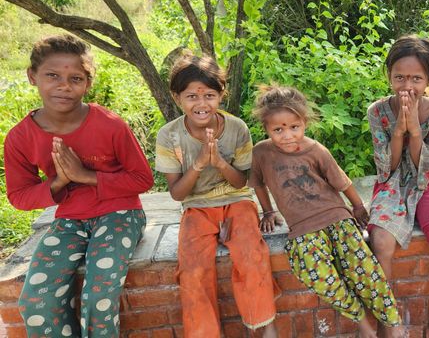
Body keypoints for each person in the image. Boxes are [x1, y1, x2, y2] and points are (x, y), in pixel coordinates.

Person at [4, 34, 153, 337]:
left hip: (120, 213)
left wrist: (86, 176)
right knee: (36, 300)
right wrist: (59, 181)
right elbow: (19, 196)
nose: (64, 85)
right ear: (32, 77)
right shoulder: (20, 137)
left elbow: (143, 179)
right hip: (70, 220)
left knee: (98, 298)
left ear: (87, 83)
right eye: (53, 76)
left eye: (75, 78)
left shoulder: (110, 125)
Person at [250, 85, 404, 338]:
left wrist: (357, 206)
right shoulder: (261, 153)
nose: (287, 135)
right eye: (278, 130)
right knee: (316, 272)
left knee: (364, 270)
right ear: (266, 128)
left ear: (304, 123)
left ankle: (393, 323)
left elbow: (341, 182)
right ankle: (362, 320)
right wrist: (267, 212)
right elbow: (257, 182)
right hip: (303, 228)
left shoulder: (316, 150)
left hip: (336, 217)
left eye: (294, 127)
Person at [155, 55, 278, 338]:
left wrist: (220, 162)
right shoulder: (169, 136)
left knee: (251, 252)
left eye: (209, 95)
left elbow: (242, 180)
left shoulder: (236, 129)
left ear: (221, 94)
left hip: (237, 200)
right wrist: (198, 163)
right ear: (177, 98)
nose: (201, 104)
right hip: (197, 206)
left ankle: (264, 325)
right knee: (193, 268)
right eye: (192, 96)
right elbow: (177, 194)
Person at [366, 35, 429, 338]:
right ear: (389, 76)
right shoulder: (378, 112)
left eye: (417, 78)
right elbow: (386, 169)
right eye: (400, 77)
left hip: (425, 183)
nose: (408, 86)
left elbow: (427, 171)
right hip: (391, 183)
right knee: (380, 242)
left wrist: (415, 131)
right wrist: (398, 132)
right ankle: (387, 321)